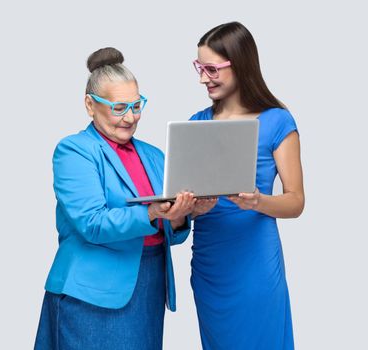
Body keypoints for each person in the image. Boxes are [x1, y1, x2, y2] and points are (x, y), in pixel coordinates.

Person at [34, 47, 210, 350]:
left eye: (137, 106)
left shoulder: (153, 155)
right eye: (118, 108)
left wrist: (182, 214)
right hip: (91, 295)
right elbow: (92, 224)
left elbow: (169, 231)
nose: (130, 118)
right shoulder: (75, 151)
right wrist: (152, 213)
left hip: (147, 288)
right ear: (90, 105)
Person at [189, 22, 305, 349]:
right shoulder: (197, 123)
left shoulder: (277, 121)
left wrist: (257, 202)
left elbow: (295, 201)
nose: (202, 78)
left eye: (212, 69)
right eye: (199, 68)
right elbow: (190, 200)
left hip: (255, 259)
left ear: (239, 64)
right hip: (211, 262)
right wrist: (188, 208)